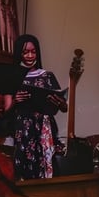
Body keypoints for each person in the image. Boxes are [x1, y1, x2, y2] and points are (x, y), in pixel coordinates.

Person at [11, 34, 67, 180]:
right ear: (19, 53)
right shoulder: (13, 77)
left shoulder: (47, 76)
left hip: (44, 127)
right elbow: (4, 109)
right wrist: (14, 100)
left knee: (46, 164)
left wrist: (59, 101)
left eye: (33, 51)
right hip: (23, 128)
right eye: (25, 52)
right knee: (24, 166)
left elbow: (64, 107)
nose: (30, 55)